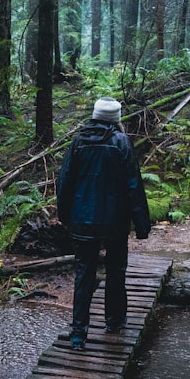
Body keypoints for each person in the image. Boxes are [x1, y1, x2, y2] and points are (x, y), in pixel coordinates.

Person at [56, 97, 151, 350]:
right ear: (115, 119)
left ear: (95, 116)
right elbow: (133, 185)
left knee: (84, 274)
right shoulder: (122, 143)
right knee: (116, 271)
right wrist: (141, 224)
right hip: (115, 222)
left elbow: (64, 182)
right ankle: (114, 321)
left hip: (82, 221)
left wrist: (64, 215)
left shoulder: (78, 142)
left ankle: (78, 336)